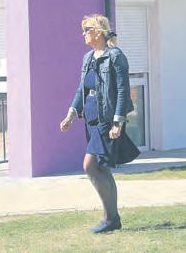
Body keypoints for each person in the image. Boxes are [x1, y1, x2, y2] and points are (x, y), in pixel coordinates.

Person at [60, 14, 140, 233]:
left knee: (90, 165)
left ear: (99, 32)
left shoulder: (115, 56)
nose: (83, 34)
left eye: (87, 30)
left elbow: (123, 91)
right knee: (101, 168)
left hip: (107, 119)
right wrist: (71, 114)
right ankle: (112, 219)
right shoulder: (88, 58)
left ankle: (109, 218)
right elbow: (82, 89)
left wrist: (118, 122)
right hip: (91, 119)